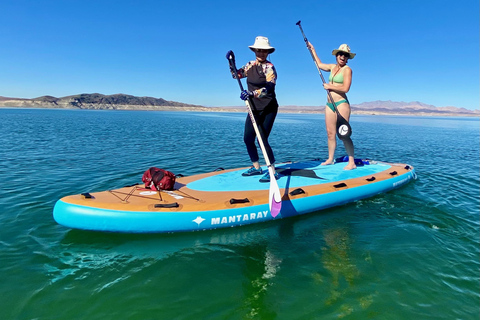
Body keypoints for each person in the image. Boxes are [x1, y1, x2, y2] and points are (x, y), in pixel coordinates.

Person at [227, 36, 279, 182]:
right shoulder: (250, 65)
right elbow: (236, 75)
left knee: (262, 139)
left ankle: (272, 171)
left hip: (268, 108)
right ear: (255, 51)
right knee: (248, 138)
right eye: (259, 50)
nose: (261, 53)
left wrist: (252, 93)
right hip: (253, 108)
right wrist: (231, 63)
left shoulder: (269, 67)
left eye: (264, 51)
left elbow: (270, 87)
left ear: (268, 52)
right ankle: (256, 167)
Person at [308, 42, 357, 170]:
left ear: (347, 58)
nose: (342, 57)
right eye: (341, 54)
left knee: (344, 134)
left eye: (345, 55)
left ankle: (351, 162)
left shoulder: (347, 70)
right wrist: (313, 49)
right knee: (330, 134)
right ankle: (330, 159)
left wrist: (330, 86)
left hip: (341, 103)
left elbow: (346, 88)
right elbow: (318, 64)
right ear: (337, 55)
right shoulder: (332, 67)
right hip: (329, 104)